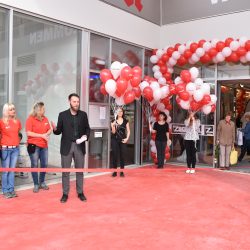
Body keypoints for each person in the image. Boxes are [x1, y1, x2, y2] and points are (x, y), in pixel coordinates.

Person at [51, 93, 90, 203]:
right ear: (69, 101)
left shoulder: (83, 115)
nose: (76, 104)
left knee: (80, 171)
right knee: (65, 172)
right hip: (66, 146)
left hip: (79, 146)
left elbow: (88, 129)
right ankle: (65, 193)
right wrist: (54, 129)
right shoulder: (62, 115)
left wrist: (85, 136)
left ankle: (80, 192)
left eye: (77, 102)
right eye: (74, 101)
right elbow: (58, 131)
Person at [25, 102, 52, 193]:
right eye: (43, 109)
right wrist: (42, 135)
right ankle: (36, 184)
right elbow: (29, 133)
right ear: (38, 110)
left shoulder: (45, 119)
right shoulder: (30, 119)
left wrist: (48, 132)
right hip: (34, 146)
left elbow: (49, 129)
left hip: (44, 146)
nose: (45, 110)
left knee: (44, 164)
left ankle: (42, 182)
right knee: (35, 165)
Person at [0, 103, 22, 198]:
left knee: (12, 170)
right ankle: (5, 190)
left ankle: (11, 189)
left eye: (14, 108)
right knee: (6, 171)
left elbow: (18, 134)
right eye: (11, 109)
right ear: (6, 111)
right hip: (5, 149)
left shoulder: (17, 122)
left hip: (15, 149)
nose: (13, 110)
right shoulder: (1, 122)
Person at [111, 107, 130, 177]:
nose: (120, 113)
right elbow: (113, 132)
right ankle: (115, 171)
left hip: (123, 140)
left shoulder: (126, 121)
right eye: (119, 112)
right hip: (115, 140)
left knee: (122, 156)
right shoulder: (113, 120)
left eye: (121, 111)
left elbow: (128, 131)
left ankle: (122, 171)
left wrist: (127, 138)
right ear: (116, 113)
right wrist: (113, 126)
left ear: (123, 112)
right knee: (115, 155)